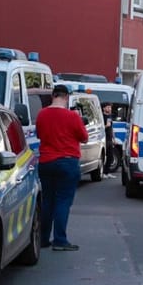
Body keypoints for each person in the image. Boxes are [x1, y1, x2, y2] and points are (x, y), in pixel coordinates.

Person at [33, 84, 86, 251]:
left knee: (47, 200)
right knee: (63, 201)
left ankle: (42, 238)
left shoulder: (42, 114)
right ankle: (60, 240)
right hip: (67, 162)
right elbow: (84, 138)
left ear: (53, 96)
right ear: (66, 97)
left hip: (46, 162)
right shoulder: (72, 117)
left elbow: (40, 135)